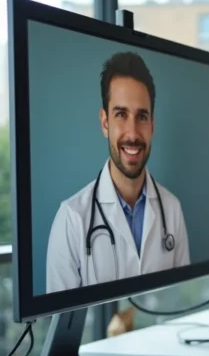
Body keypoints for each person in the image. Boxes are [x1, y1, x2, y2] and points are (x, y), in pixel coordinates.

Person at [46, 51, 190, 293]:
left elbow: (181, 305)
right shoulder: (70, 220)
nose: (133, 133)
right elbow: (61, 325)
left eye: (141, 116)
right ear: (105, 123)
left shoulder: (172, 209)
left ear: (152, 125)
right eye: (121, 115)